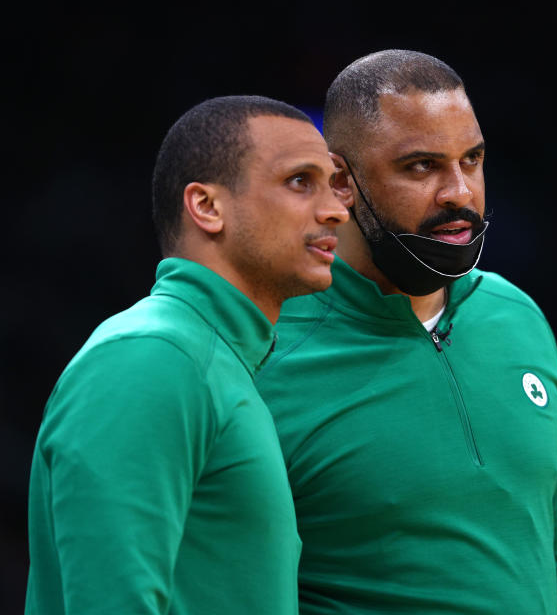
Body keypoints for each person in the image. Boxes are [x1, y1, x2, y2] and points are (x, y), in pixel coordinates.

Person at [255, 50, 557, 613]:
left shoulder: (516, 317)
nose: (460, 193)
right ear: (340, 180)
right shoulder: (264, 354)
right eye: (421, 166)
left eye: (472, 160)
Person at [25, 95, 350, 614]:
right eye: (300, 182)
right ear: (207, 206)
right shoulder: (151, 358)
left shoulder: (215, 361)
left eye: (333, 185)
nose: (336, 209)